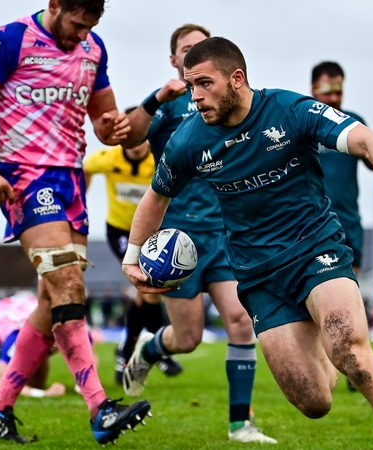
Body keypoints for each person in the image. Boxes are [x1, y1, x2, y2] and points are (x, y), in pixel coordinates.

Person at [122, 37, 373, 450]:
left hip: (315, 250)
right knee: (315, 401)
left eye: (203, 84)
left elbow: (368, 141)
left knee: (353, 356)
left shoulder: (289, 110)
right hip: (258, 275)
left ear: (237, 78)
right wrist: (132, 256)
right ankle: (319, 338)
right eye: (189, 85)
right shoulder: (189, 140)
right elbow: (156, 197)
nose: (194, 96)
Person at [0, 0, 150, 444]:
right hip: (25, 176)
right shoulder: (7, 40)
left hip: (71, 182)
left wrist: (115, 126)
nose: (83, 35)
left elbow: (103, 122)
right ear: (54, 4)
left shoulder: (94, 47)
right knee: (67, 285)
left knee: (52, 300)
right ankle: (100, 407)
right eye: (77, 24)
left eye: (91, 27)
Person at [118, 24, 276, 444]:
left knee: (241, 322)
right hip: (176, 240)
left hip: (225, 234)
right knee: (186, 339)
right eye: (187, 51)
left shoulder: (222, 105)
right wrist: (156, 99)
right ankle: (150, 350)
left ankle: (241, 424)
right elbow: (129, 137)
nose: (194, 56)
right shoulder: (168, 107)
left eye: (202, 50)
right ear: (174, 61)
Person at [82, 107, 183, 385]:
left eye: (143, 135)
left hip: (154, 232)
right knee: (149, 290)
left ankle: (127, 350)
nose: (137, 142)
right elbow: (86, 168)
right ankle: (151, 352)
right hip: (120, 231)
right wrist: (80, 204)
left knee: (145, 295)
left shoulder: (158, 159)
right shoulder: (108, 157)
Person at [311, 61, 373, 392]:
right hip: (314, 225)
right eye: (327, 90)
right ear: (313, 90)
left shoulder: (353, 123)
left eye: (339, 89)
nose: (334, 97)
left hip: (350, 222)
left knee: (352, 291)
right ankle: (330, 361)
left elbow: (370, 151)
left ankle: (357, 363)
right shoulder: (304, 123)